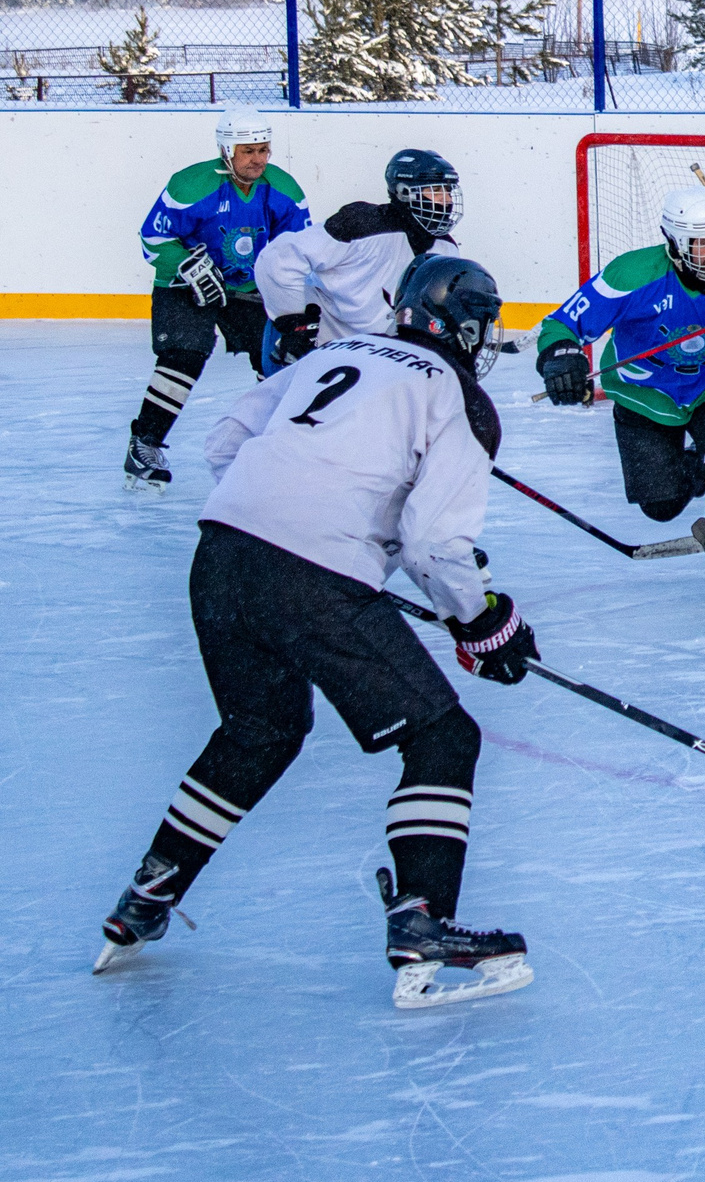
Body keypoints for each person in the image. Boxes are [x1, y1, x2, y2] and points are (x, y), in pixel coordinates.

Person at [94, 255, 536, 1010]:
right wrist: (485, 621)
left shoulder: (336, 350)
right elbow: (435, 547)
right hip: (312, 580)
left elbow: (224, 442)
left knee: (258, 731)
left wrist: (299, 510)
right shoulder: (456, 397)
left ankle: (148, 891)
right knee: (442, 737)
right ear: (463, 324)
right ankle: (423, 921)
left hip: (222, 555)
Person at [534, 184, 705, 597]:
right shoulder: (631, 274)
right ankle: (700, 464)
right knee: (661, 506)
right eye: (701, 244)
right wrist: (561, 357)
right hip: (642, 398)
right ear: (673, 243)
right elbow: (561, 323)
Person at [126, 110, 309, 492]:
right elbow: (153, 239)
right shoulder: (191, 185)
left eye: (264, 150)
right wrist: (184, 266)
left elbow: (299, 250)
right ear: (227, 150)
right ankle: (144, 444)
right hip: (184, 285)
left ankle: (281, 448)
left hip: (249, 290)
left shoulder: (284, 190)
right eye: (248, 151)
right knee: (185, 353)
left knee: (280, 357)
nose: (258, 159)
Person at [255, 148, 464, 374]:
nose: (447, 200)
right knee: (279, 405)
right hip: (313, 347)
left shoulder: (446, 249)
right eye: (436, 191)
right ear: (404, 192)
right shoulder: (360, 225)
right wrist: (295, 325)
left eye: (449, 192)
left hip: (370, 362)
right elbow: (277, 259)